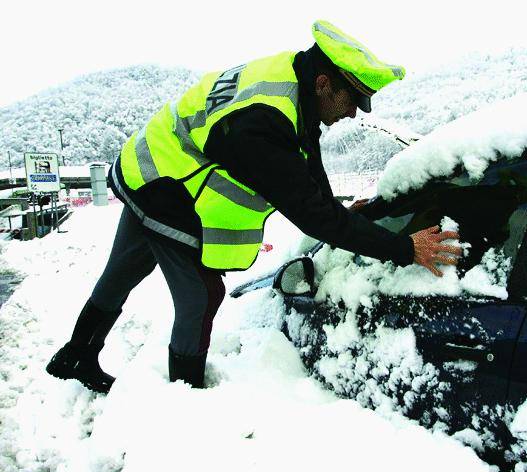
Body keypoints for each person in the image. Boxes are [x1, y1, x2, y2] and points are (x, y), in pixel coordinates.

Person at [46, 20, 462, 392]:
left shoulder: (289, 78)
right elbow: (312, 215)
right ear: (323, 84)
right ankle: (182, 400)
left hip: (146, 169)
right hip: (167, 190)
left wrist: (335, 206)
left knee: (122, 270)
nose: (355, 113)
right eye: (353, 100)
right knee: (201, 296)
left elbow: (306, 155)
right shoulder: (263, 122)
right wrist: (404, 249)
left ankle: (75, 356)